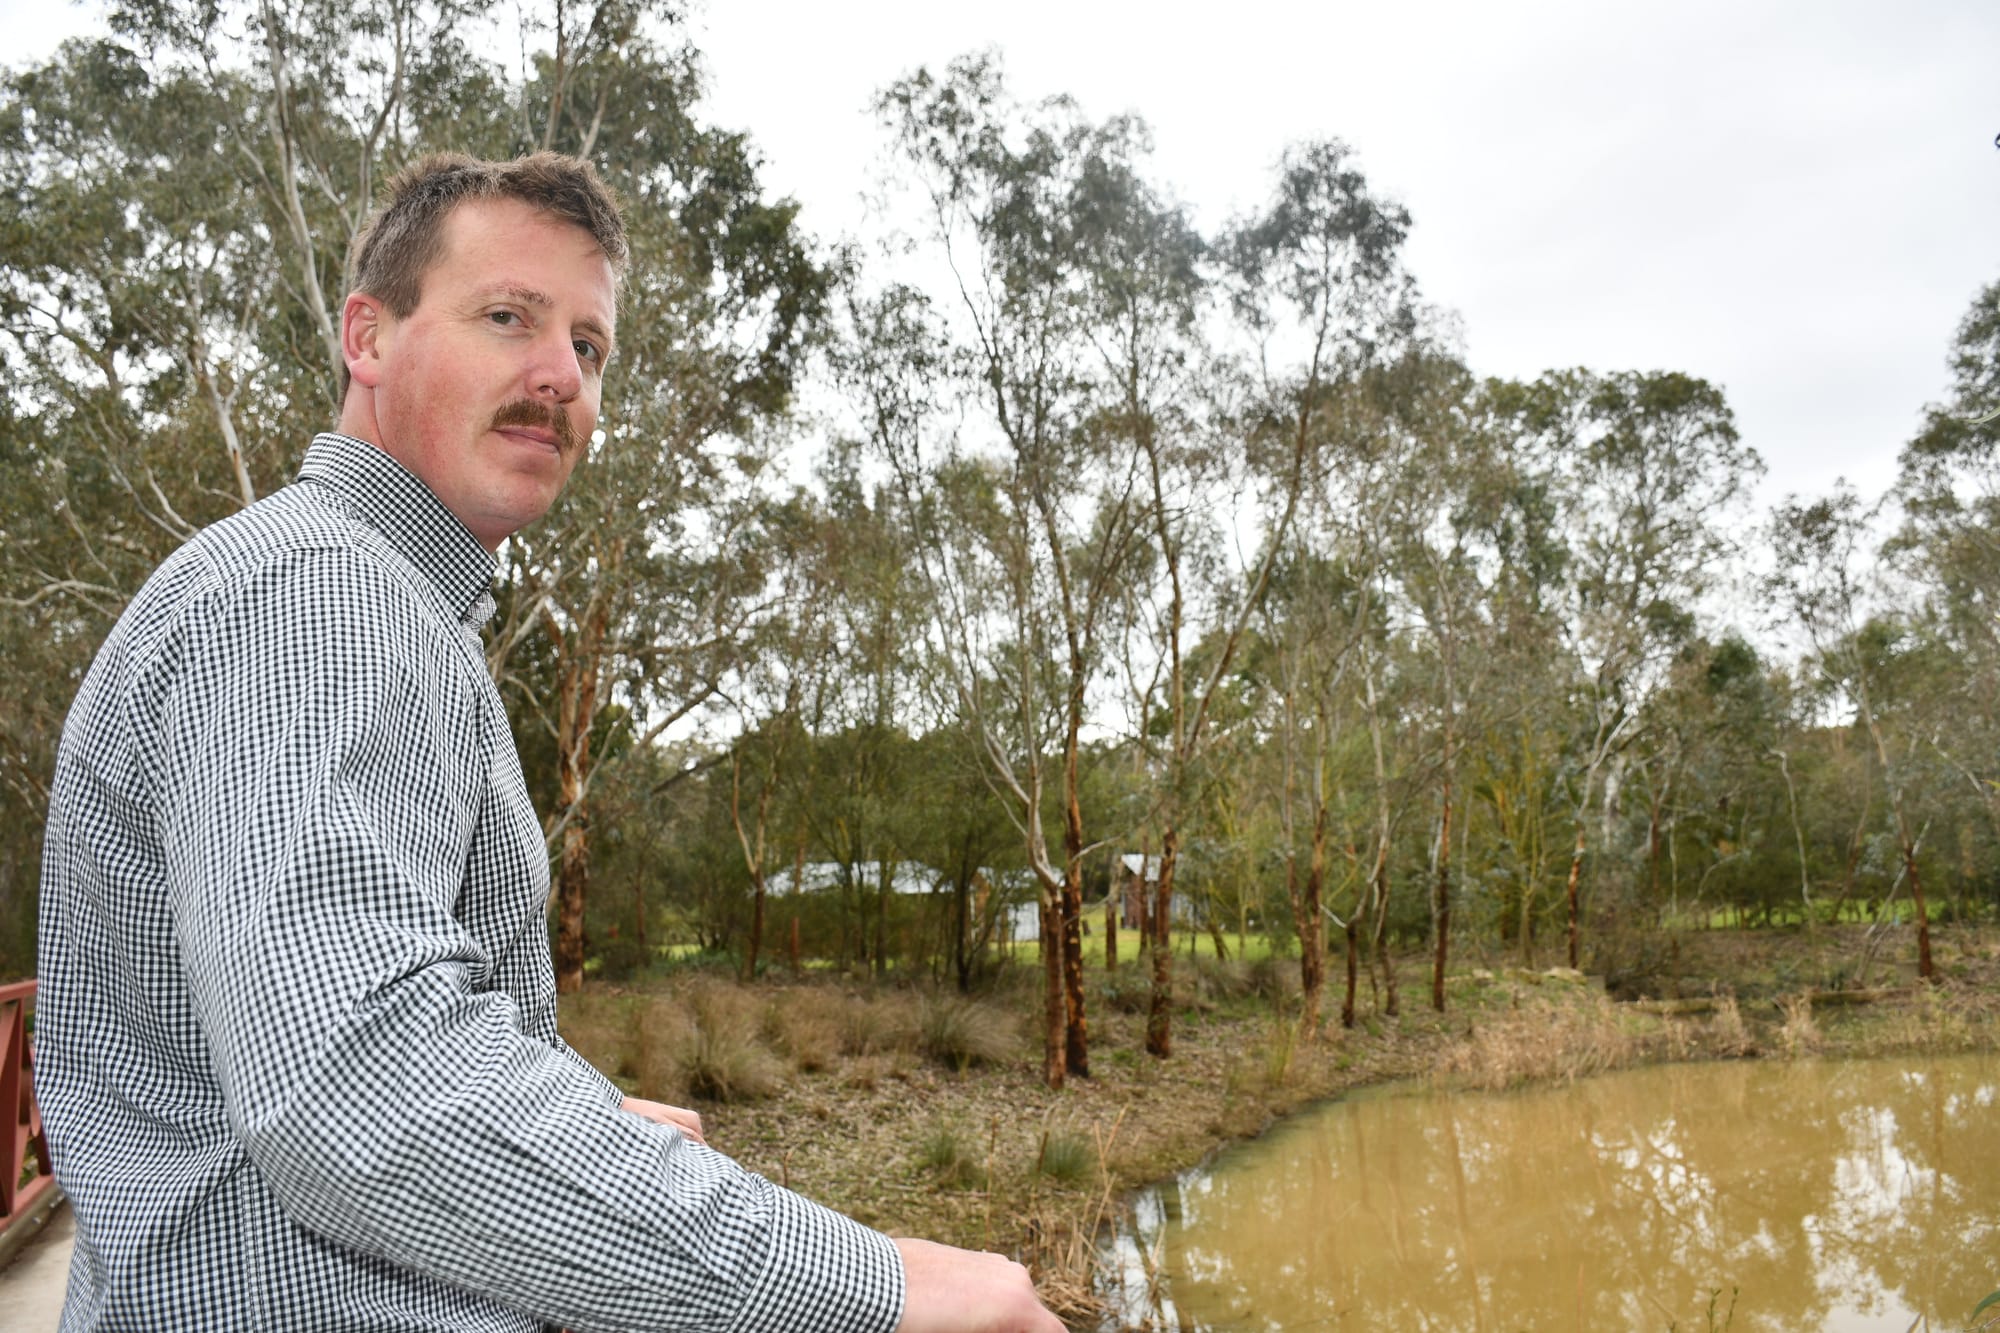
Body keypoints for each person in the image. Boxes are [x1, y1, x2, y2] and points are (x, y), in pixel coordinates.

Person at [36, 151, 1063, 1333]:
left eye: (589, 345)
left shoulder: (375, 602)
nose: (557, 375)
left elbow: (313, 1023)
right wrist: (884, 1286)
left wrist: (572, 1110)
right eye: (507, 316)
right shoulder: (318, 593)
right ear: (367, 339)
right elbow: (356, 1077)